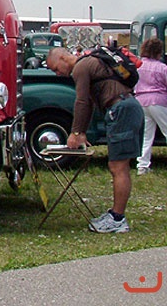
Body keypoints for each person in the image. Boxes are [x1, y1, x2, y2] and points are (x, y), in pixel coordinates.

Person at [46, 46, 145, 233]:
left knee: (118, 167)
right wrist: (81, 132)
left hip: (121, 109)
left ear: (63, 58)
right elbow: (90, 103)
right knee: (118, 166)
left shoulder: (81, 67)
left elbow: (82, 101)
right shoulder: (90, 63)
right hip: (126, 107)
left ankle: (118, 219)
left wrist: (76, 133)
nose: (58, 74)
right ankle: (115, 215)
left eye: (56, 69)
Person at [133, 38, 167, 175]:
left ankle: (142, 165)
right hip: (158, 101)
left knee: (146, 135)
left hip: (141, 101)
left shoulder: (138, 66)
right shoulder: (162, 67)